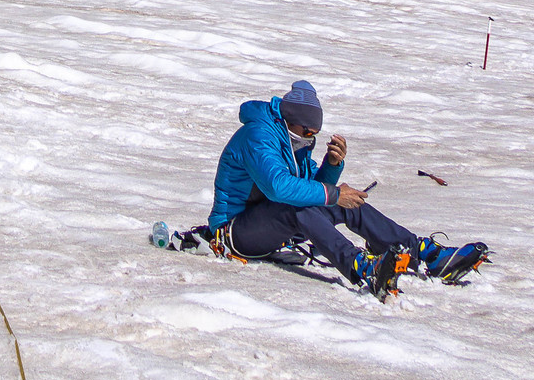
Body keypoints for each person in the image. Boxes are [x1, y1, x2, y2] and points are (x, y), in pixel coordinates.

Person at [208, 79, 487, 294]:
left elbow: (310, 191)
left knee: (350, 204)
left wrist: (330, 167)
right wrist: (335, 194)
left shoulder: (290, 140)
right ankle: (363, 268)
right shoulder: (258, 135)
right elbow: (279, 189)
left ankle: (426, 253)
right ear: (290, 121)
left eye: (314, 135)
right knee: (304, 206)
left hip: (267, 223)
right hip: (232, 231)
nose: (310, 138)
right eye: (308, 132)